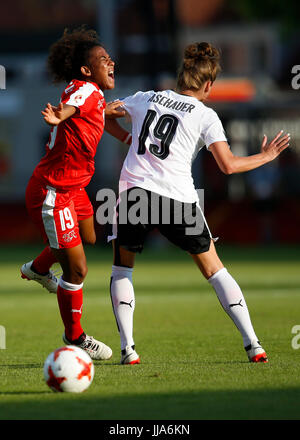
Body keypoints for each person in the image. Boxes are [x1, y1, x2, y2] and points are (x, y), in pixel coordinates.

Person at [104, 42, 290, 365]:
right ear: (207, 85)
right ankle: (253, 344)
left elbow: (106, 113)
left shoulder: (146, 97)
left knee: (122, 269)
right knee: (215, 271)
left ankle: (128, 349)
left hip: (135, 193)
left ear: (180, 77)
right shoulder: (206, 115)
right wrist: (267, 155)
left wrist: (128, 138)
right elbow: (228, 166)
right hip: (178, 199)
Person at [21, 26, 127, 360]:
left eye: (110, 58)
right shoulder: (84, 90)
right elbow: (73, 106)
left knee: (90, 237)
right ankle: (75, 337)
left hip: (74, 187)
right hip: (53, 191)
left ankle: (38, 269)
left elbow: (88, 109)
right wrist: (59, 116)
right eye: (102, 59)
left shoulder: (92, 94)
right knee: (77, 269)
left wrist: (108, 117)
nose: (110, 62)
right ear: (85, 70)